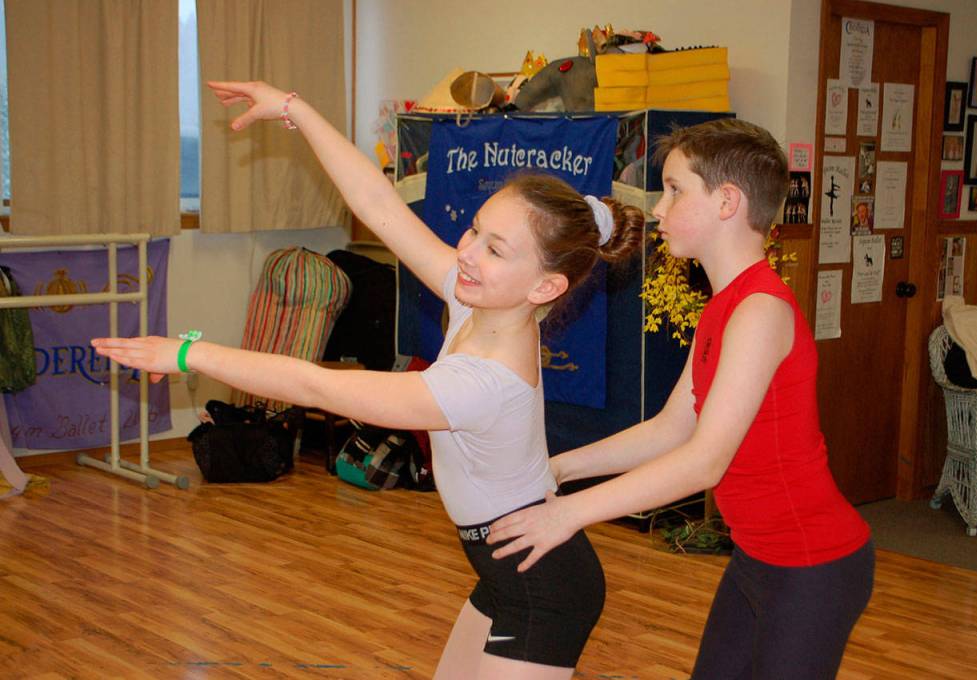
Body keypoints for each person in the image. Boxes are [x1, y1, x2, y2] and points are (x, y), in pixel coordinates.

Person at [92, 81, 644, 679]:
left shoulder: (482, 384)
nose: (466, 252)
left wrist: (190, 354)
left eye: (495, 249)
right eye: (474, 230)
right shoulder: (479, 306)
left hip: (541, 587)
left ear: (544, 287)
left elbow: (316, 386)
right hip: (506, 567)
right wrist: (295, 109)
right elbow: (378, 203)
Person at [487, 118, 875, 680]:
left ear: (727, 202)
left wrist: (568, 514)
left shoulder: (761, 310)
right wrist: (560, 468)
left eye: (674, 190)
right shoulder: (723, 307)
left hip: (812, 565)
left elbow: (703, 462)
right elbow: (672, 428)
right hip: (756, 557)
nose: (659, 209)